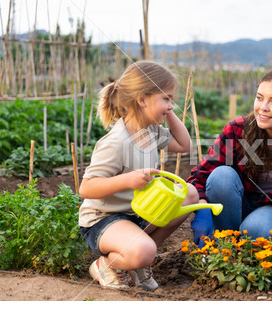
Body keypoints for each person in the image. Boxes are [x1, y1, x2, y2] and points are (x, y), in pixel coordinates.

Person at [78, 61, 198, 290]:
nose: (170, 105)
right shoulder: (116, 142)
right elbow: (86, 188)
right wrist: (127, 179)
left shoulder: (150, 131)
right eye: (166, 99)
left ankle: (139, 262)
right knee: (144, 250)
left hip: (137, 214)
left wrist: (168, 112)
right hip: (103, 221)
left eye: (171, 100)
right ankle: (109, 264)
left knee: (189, 194)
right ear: (142, 100)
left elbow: (184, 145)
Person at [188, 69, 272, 249]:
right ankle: (223, 248)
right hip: (233, 206)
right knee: (222, 176)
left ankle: (245, 254)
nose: (263, 107)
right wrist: (202, 209)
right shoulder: (237, 130)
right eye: (259, 98)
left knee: (257, 228)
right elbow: (200, 176)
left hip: (270, 210)